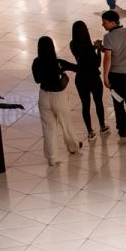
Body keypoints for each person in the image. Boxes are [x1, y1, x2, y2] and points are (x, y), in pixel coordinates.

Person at [31, 37, 83, 166]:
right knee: (66, 124)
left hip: (44, 96)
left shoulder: (36, 62)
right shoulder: (58, 62)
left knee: (48, 128)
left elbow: (37, 80)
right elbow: (78, 68)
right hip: (59, 97)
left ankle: (52, 158)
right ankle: (73, 147)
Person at [101, 10, 126, 144]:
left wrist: (105, 77)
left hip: (115, 76)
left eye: (105, 22)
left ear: (113, 22)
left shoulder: (108, 37)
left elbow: (108, 58)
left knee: (118, 102)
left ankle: (122, 129)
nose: (103, 25)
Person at [69, 20, 108, 138]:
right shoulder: (88, 46)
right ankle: (102, 126)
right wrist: (98, 49)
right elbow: (97, 64)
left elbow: (82, 56)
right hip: (93, 78)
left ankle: (90, 132)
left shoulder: (73, 44)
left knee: (85, 105)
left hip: (81, 78)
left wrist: (94, 47)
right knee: (98, 102)